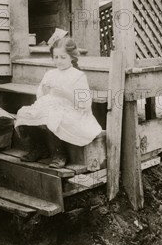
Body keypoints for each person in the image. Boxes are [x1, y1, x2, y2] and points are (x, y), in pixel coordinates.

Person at [14, 37, 102, 168]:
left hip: (73, 111)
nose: (59, 61)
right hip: (51, 105)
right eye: (56, 57)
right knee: (24, 113)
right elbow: (41, 97)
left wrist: (66, 94)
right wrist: (44, 91)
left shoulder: (77, 76)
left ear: (71, 57)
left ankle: (59, 154)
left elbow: (84, 104)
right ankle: (39, 148)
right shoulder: (50, 73)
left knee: (54, 117)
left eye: (63, 57)